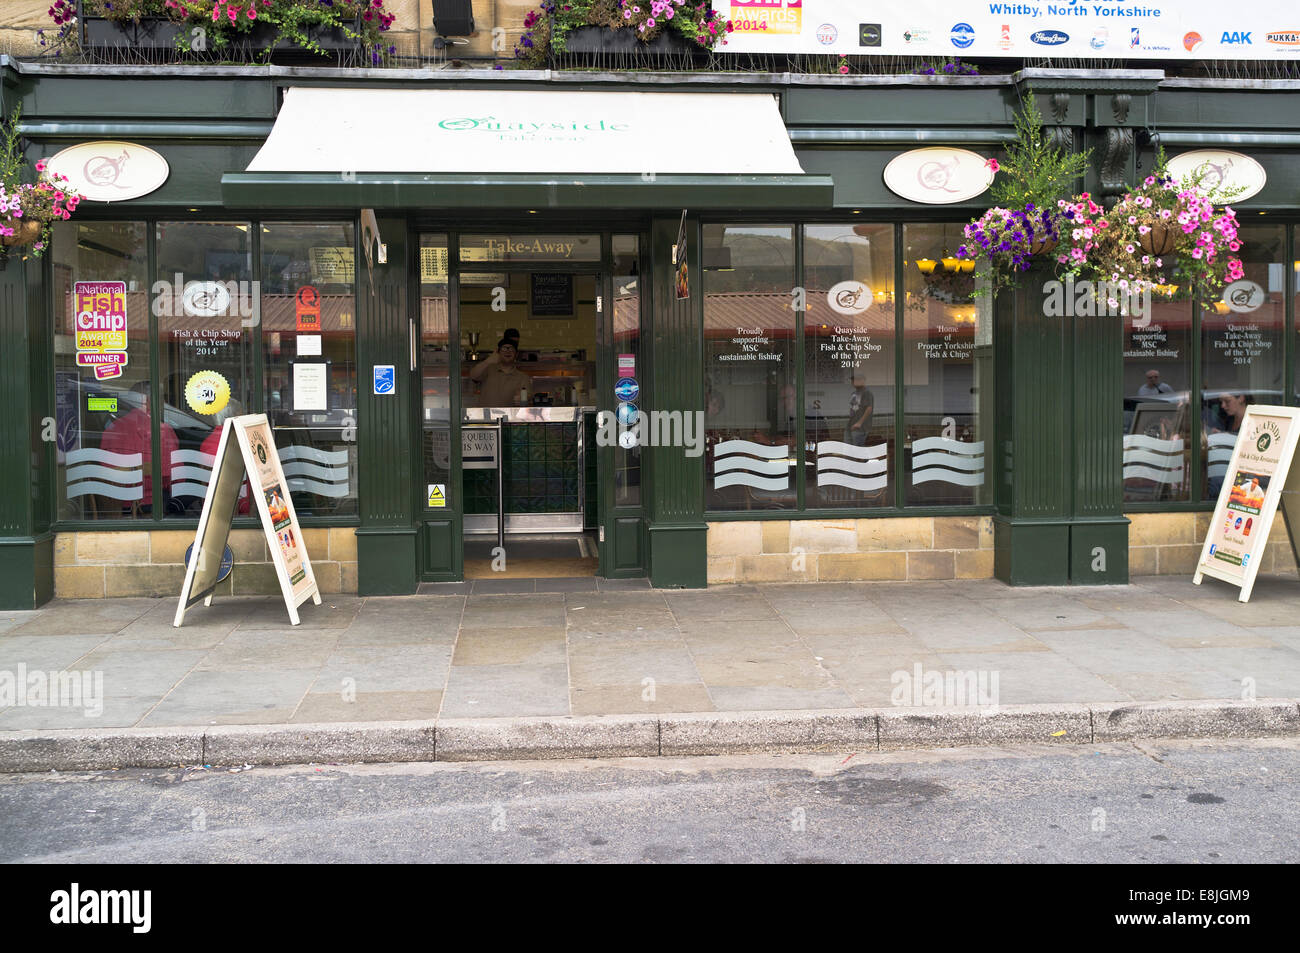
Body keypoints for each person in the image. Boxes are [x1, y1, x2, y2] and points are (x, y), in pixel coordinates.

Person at [100, 380, 179, 515]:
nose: (163, 404)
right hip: (153, 503)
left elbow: (105, 473)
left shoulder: (112, 429)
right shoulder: (163, 431)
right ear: (149, 401)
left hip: (117, 504)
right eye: (161, 399)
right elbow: (173, 476)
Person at [470, 337, 532, 406]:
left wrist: (523, 400)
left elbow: (528, 398)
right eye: (504, 349)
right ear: (498, 352)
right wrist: (488, 361)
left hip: (509, 416)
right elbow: (473, 375)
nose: (508, 352)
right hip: (485, 416)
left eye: (511, 349)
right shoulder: (488, 369)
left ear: (516, 354)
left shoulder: (523, 377)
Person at [845, 371, 873, 446]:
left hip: (860, 428)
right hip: (851, 425)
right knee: (848, 448)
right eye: (852, 380)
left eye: (855, 380)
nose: (853, 382)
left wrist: (859, 423)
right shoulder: (854, 393)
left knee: (857, 450)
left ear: (862, 380)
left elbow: (869, 408)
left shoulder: (867, 393)